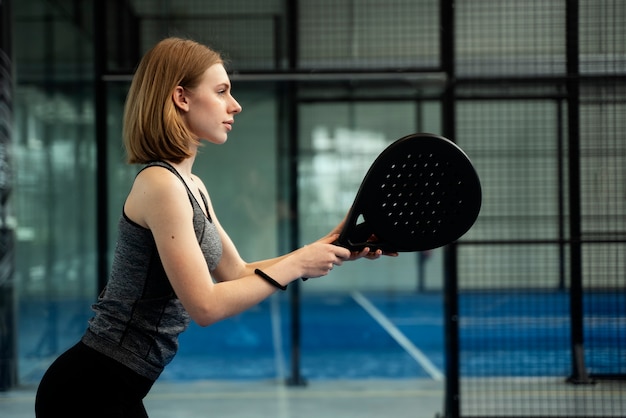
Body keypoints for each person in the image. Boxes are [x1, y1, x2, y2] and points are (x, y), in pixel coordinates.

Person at [35, 37, 392, 417]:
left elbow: (237, 272)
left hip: (120, 385)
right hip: (88, 389)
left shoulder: (191, 185)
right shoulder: (161, 185)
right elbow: (204, 305)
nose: (234, 105)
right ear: (181, 97)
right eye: (221, 91)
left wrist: (334, 242)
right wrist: (301, 263)